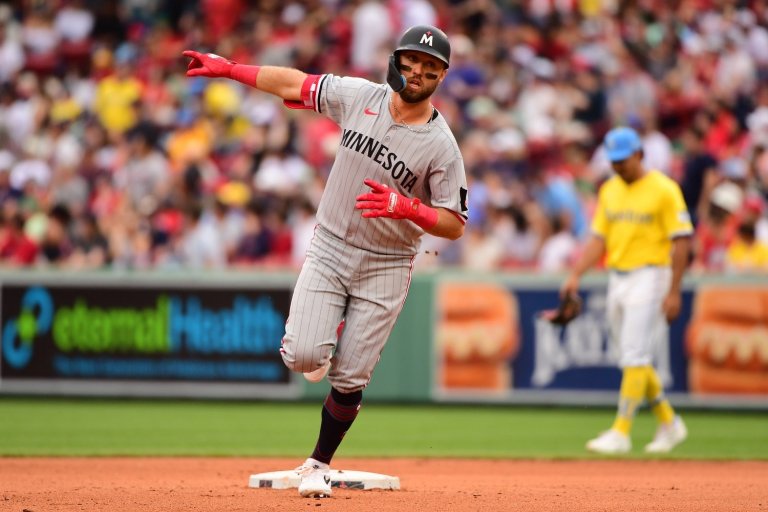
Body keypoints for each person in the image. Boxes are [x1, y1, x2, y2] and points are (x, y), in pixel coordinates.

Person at [183, 24, 468, 497]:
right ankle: (322, 342)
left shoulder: (442, 145)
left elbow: (454, 223)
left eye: (430, 68)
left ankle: (318, 461)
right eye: (411, 61)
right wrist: (230, 69)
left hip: (387, 261)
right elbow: (294, 83)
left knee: (351, 376)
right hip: (332, 245)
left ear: (441, 77)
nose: (417, 71)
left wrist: (407, 207)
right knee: (302, 355)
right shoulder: (360, 96)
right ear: (397, 60)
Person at [560, 126, 692, 454]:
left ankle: (622, 430)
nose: (618, 166)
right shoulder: (610, 190)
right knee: (630, 358)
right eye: (614, 160)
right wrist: (576, 273)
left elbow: (682, 240)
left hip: (652, 274)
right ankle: (670, 422)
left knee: (634, 353)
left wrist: (674, 291)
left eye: (623, 160)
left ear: (640, 155)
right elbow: (598, 238)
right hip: (617, 277)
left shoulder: (664, 189)